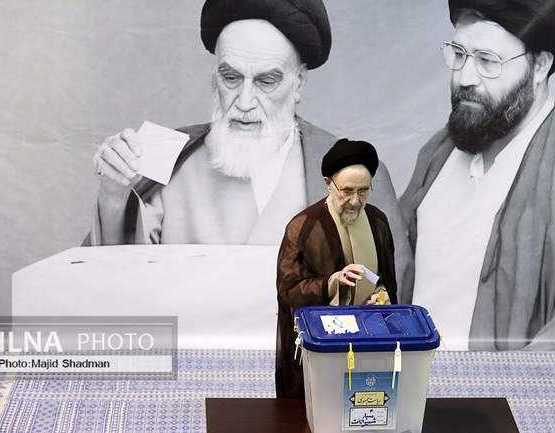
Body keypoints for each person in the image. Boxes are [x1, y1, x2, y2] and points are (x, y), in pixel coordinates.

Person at [85, 0, 414, 292]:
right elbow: (114, 289)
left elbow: (385, 299)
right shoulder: (166, 156)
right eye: (231, 78)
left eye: (266, 81)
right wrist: (114, 195)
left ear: (298, 83)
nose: (244, 102)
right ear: (214, 76)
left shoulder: (353, 174)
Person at [400, 0, 555, 351]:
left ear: (540, 66)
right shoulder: (438, 152)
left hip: (502, 387)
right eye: (458, 54)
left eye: (487, 61)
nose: (465, 78)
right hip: (408, 379)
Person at [275, 138, 398, 398]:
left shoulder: (378, 222)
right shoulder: (303, 227)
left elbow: (385, 279)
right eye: (347, 191)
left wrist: (382, 295)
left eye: (363, 191)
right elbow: (288, 290)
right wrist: (331, 283)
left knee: (364, 399)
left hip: (369, 334)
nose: (355, 201)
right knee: (317, 404)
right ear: (328, 184)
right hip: (322, 341)